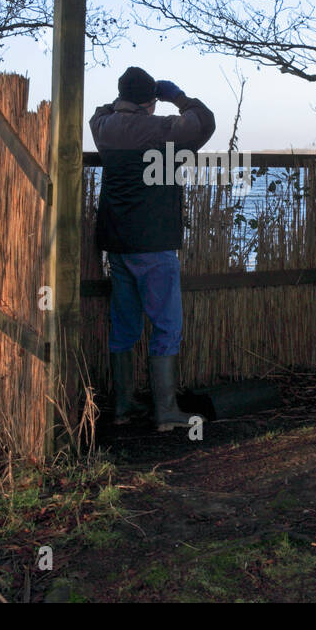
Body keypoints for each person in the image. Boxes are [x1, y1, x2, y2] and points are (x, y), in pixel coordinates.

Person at [90, 67, 216, 430]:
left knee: (124, 323)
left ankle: (124, 404)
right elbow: (203, 122)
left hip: (118, 243)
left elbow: (99, 112)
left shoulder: (104, 127)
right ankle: (166, 411)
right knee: (166, 324)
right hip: (154, 243)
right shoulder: (159, 129)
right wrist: (175, 96)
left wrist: (127, 102)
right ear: (150, 101)